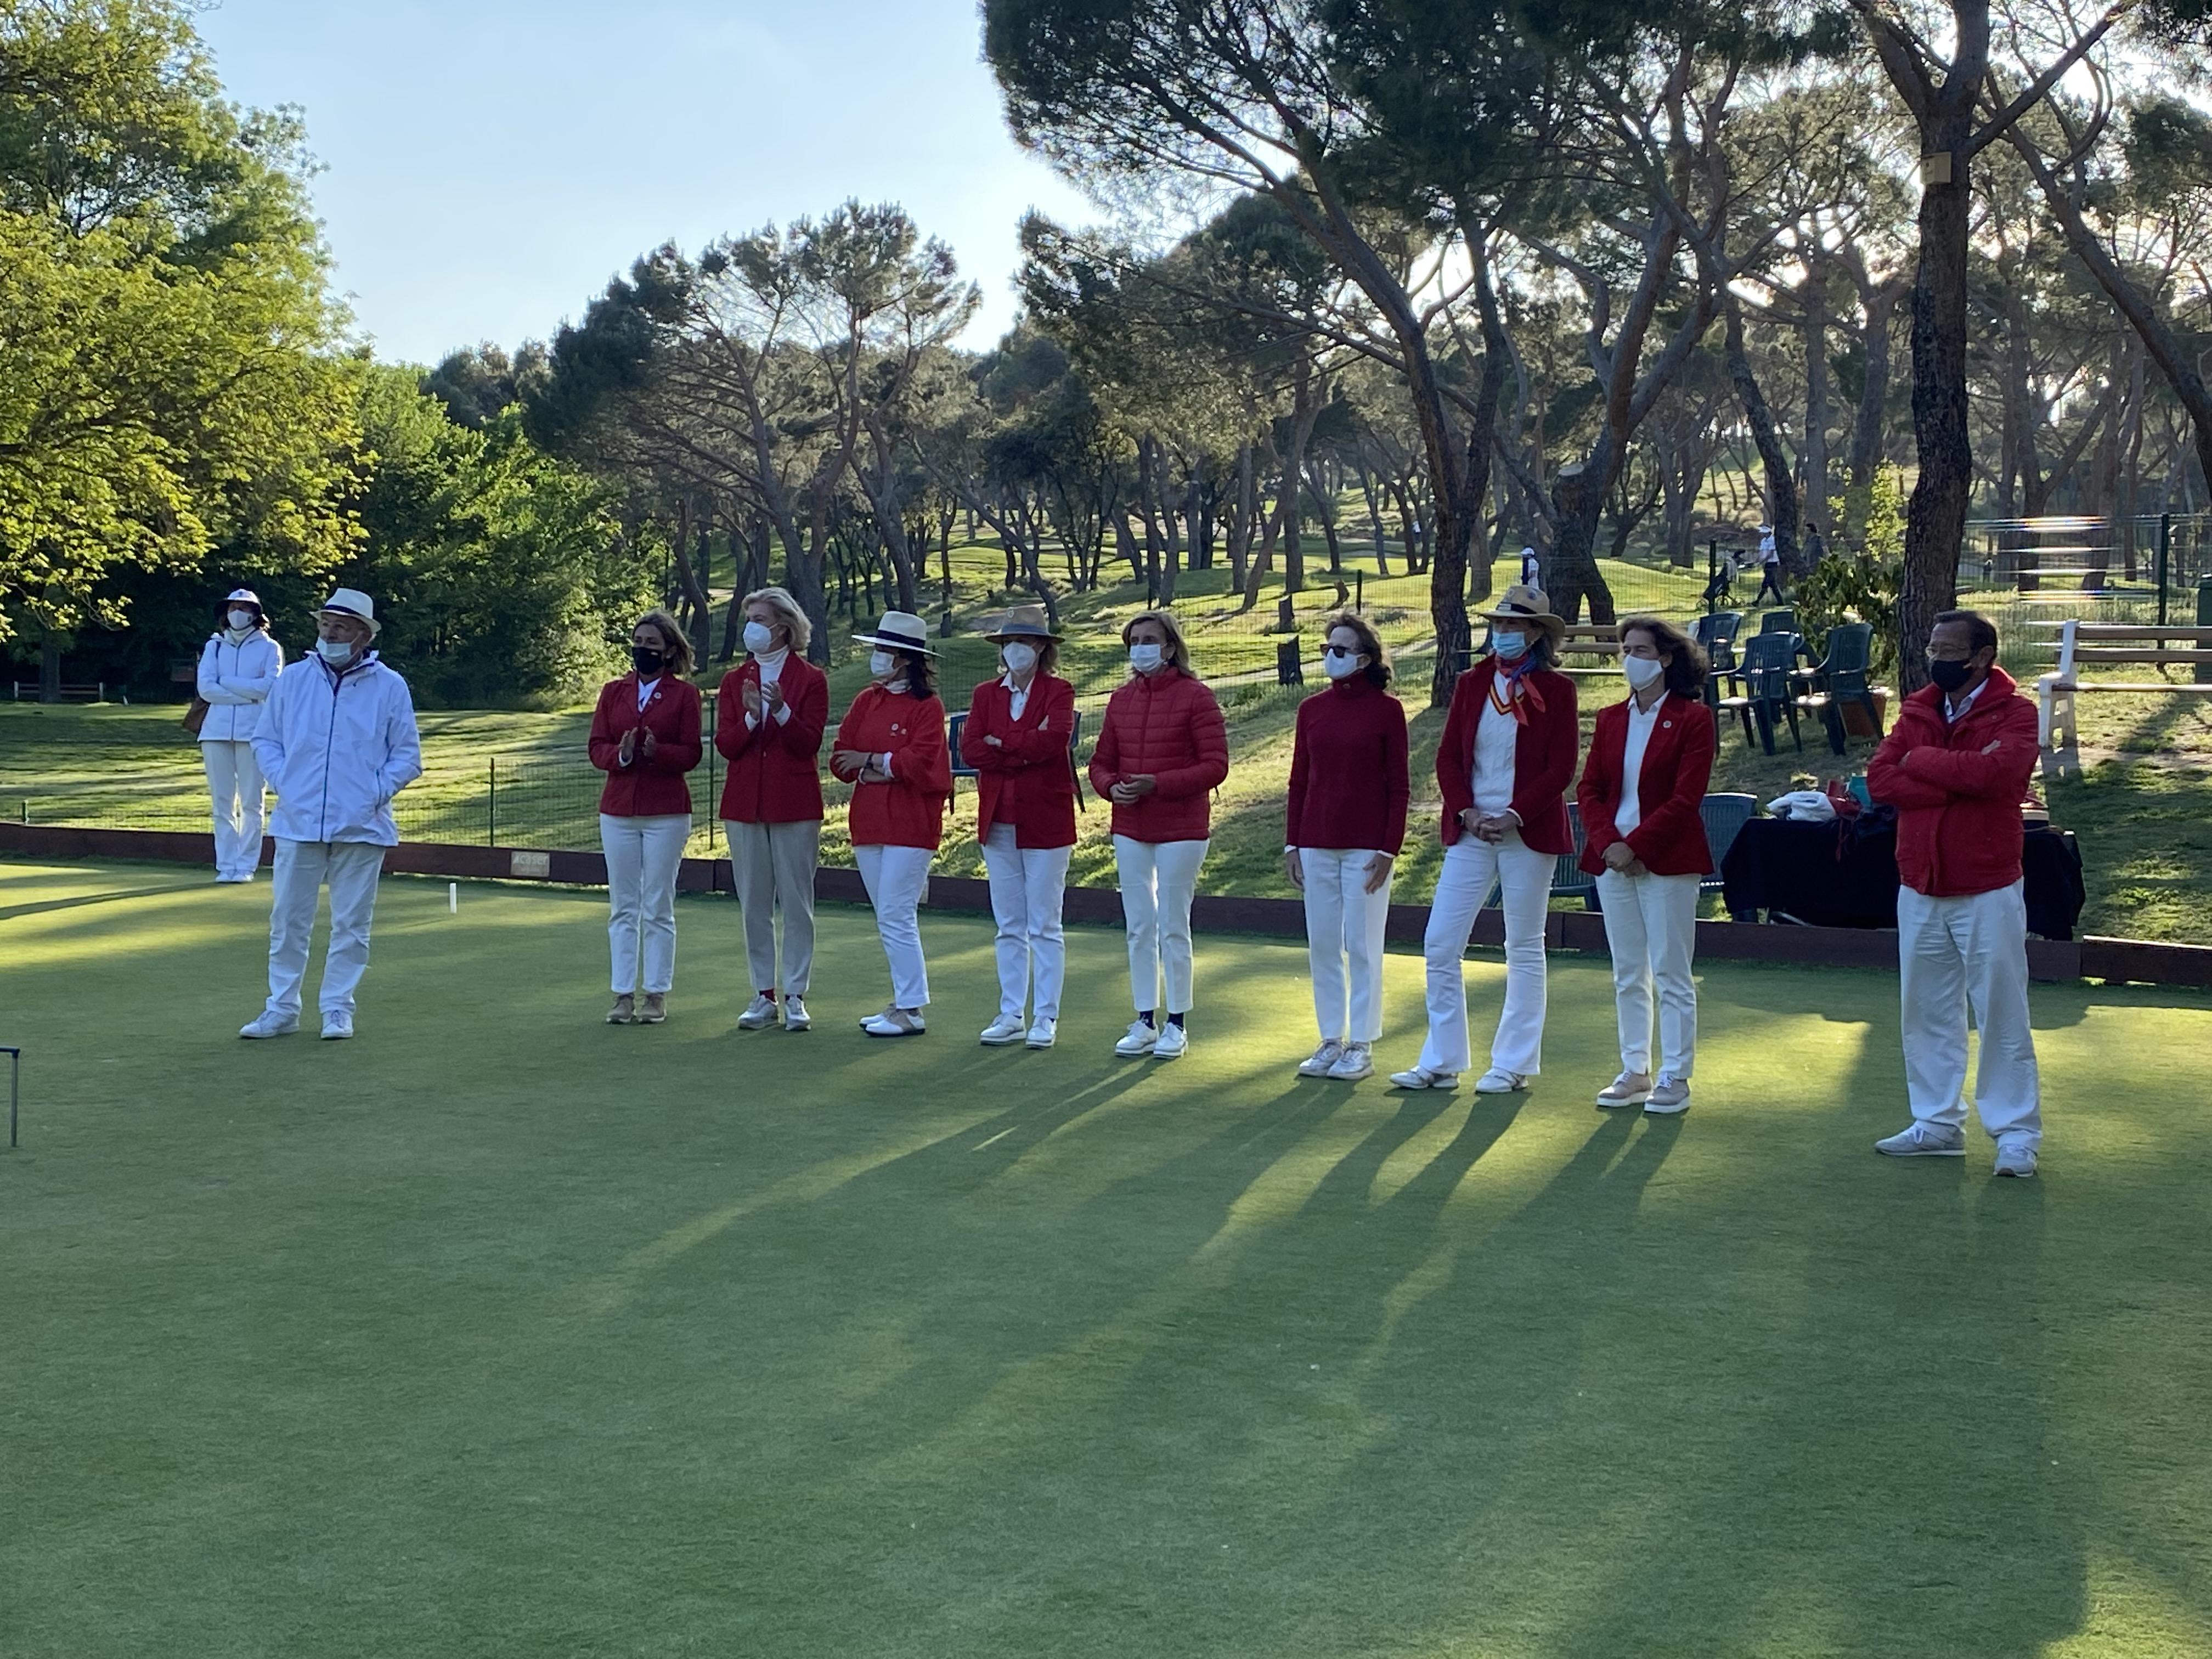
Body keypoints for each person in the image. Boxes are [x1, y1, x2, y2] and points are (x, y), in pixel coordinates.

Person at [1866, 610, 2044, 1178]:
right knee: (1925, 1010)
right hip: (1919, 881)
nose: (1936, 658)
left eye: (1948, 649)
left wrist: (1922, 763)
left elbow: (2001, 779)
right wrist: (1954, 777)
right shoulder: (1918, 707)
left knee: (2000, 1010)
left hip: (1987, 881)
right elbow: (1881, 780)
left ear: (1981, 656)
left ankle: (2015, 1133)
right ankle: (1936, 1123)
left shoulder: (2017, 713)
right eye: (1932, 648)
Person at [1391, 585, 1577, 1093]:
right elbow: (1449, 756)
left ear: (1537, 634)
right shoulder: (1472, 683)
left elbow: (1561, 766)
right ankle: (1442, 1059)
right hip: (1472, 829)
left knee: (1523, 944)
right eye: (1498, 625)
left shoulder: (1558, 691)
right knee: (1440, 942)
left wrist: (1516, 814)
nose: (1503, 634)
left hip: (1527, 831)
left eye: (1514, 627)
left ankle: (1512, 1063)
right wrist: (1467, 811)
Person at [238, 589, 421, 1041]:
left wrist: (374, 792)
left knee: (352, 925)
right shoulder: (294, 679)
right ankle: (281, 1008)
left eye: (340, 626)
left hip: (363, 824)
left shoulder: (389, 685)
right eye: (325, 624)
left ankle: (338, 1008)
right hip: (298, 821)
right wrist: (285, 782)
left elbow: (407, 756)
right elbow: (266, 740)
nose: (330, 632)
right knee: (287, 920)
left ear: (362, 634)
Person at [1576, 616, 1718, 1115]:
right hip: (1613, 861)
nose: (1629, 659)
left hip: (1668, 861)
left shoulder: (1694, 719)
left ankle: (1675, 1075)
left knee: (1671, 971)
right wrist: (1610, 843)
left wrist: (1636, 846)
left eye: (1640, 649)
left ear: (1665, 658)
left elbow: (1685, 798)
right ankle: (1635, 1070)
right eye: (1625, 649)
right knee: (1628, 971)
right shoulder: (1612, 718)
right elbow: (1589, 789)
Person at [1089, 609, 1229, 1060]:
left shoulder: (1198, 698)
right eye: (1134, 641)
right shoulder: (1120, 699)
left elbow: (1215, 766)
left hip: (1182, 828)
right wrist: (1112, 788)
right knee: (1139, 925)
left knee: (1173, 924)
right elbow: (1100, 762)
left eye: (1150, 640)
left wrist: (1158, 784)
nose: (1141, 648)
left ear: (1170, 648)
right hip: (1130, 826)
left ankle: (1177, 1022)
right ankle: (1145, 1018)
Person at [1285, 613, 1408, 1082]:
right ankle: (1331, 1039)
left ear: (1364, 658)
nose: (1330, 656)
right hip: (1316, 842)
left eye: (1340, 650)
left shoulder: (1386, 710)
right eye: (1327, 649)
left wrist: (1388, 849)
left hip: (1367, 848)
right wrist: (1293, 843)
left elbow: (1399, 786)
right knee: (1323, 945)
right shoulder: (1311, 710)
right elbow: (1300, 780)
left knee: (1361, 945)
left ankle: (1361, 1043)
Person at [962, 604, 1078, 1050]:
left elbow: (1054, 744)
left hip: (1045, 820)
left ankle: (1045, 1016)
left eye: (1025, 642)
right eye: (1010, 642)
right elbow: (972, 749)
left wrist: (1003, 743)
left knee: (1045, 923)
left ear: (1042, 647)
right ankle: (1011, 1012)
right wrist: (1016, 746)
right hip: (998, 821)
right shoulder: (985, 694)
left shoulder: (1059, 691)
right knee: (1009, 923)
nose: (1016, 650)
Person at [832, 611, 952, 1037]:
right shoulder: (868, 700)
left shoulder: (927, 706)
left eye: (883, 650)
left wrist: (872, 762)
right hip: (869, 822)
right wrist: (878, 766)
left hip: (911, 824)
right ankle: (902, 1002)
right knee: (888, 914)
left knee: (897, 914)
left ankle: (910, 1007)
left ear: (904, 658)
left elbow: (921, 763)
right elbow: (840, 755)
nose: (877, 657)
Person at [716, 586, 828, 1034]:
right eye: (751, 620)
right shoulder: (733, 681)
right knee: (754, 903)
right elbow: (727, 745)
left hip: (794, 803)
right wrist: (749, 717)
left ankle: (795, 994)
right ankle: (763, 995)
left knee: (798, 903)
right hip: (745, 804)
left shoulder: (810, 679)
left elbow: (808, 744)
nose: (753, 629)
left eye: (760, 620)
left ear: (783, 626)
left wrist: (780, 711)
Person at [589, 612, 704, 1026]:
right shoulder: (614, 692)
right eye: (638, 641)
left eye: (651, 643)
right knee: (623, 906)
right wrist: (620, 755)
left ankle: (656, 993)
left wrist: (659, 752)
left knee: (658, 905)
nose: (643, 649)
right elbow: (597, 745)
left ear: (669, 651)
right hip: (618, 809)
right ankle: (622, 994)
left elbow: (692, 753)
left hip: (666, 811)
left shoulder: (685, 696)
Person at [195, 588, 283, 884]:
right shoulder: (214, 647)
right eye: (233, 607)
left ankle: (246, 865)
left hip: (254, 733)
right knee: (222, 803)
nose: (237, 613)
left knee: (251, 803)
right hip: (215, 732)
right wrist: (247, 694)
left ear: (256, 615)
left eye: (244, 608)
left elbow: (270, 687)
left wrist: (229, 683)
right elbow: (206, 688)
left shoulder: (270, 648)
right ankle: (226, 864)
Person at [1753, 524, 1786, 606]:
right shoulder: (1764, 541)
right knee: (1773, 585)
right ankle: (1781, 602)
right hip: (1767, 564)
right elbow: (1761, 553)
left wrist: (1762, 561)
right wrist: (1757, 560)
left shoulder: (1772, 540)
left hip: (1772, 564)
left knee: (1766, 583)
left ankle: (1757, 601)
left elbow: (1771, 554)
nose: (1763, 534)